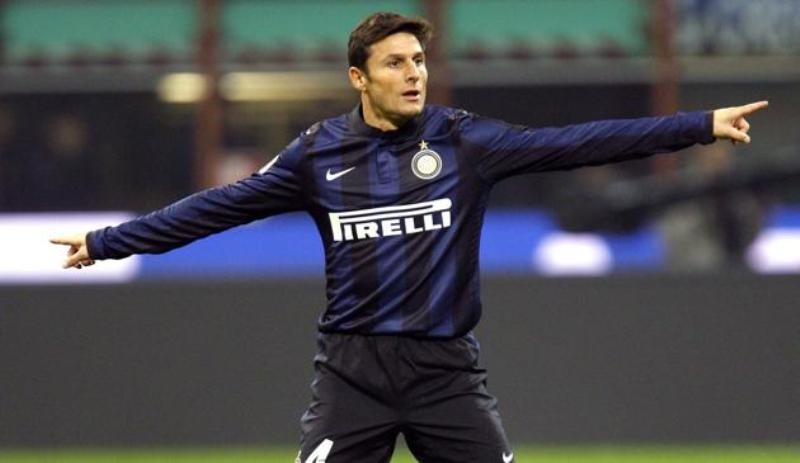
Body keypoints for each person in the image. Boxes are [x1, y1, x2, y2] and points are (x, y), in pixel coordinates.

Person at [51, 12, 768, 463]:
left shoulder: (465, 142)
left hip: (444, 374)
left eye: (419, 61)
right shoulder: (316, 155)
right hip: (352, 375)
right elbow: (219, 207)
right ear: (359, 78)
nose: (414, 73)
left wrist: (698, 125)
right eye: (396, 63)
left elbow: (578, 142)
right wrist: (109, 240)